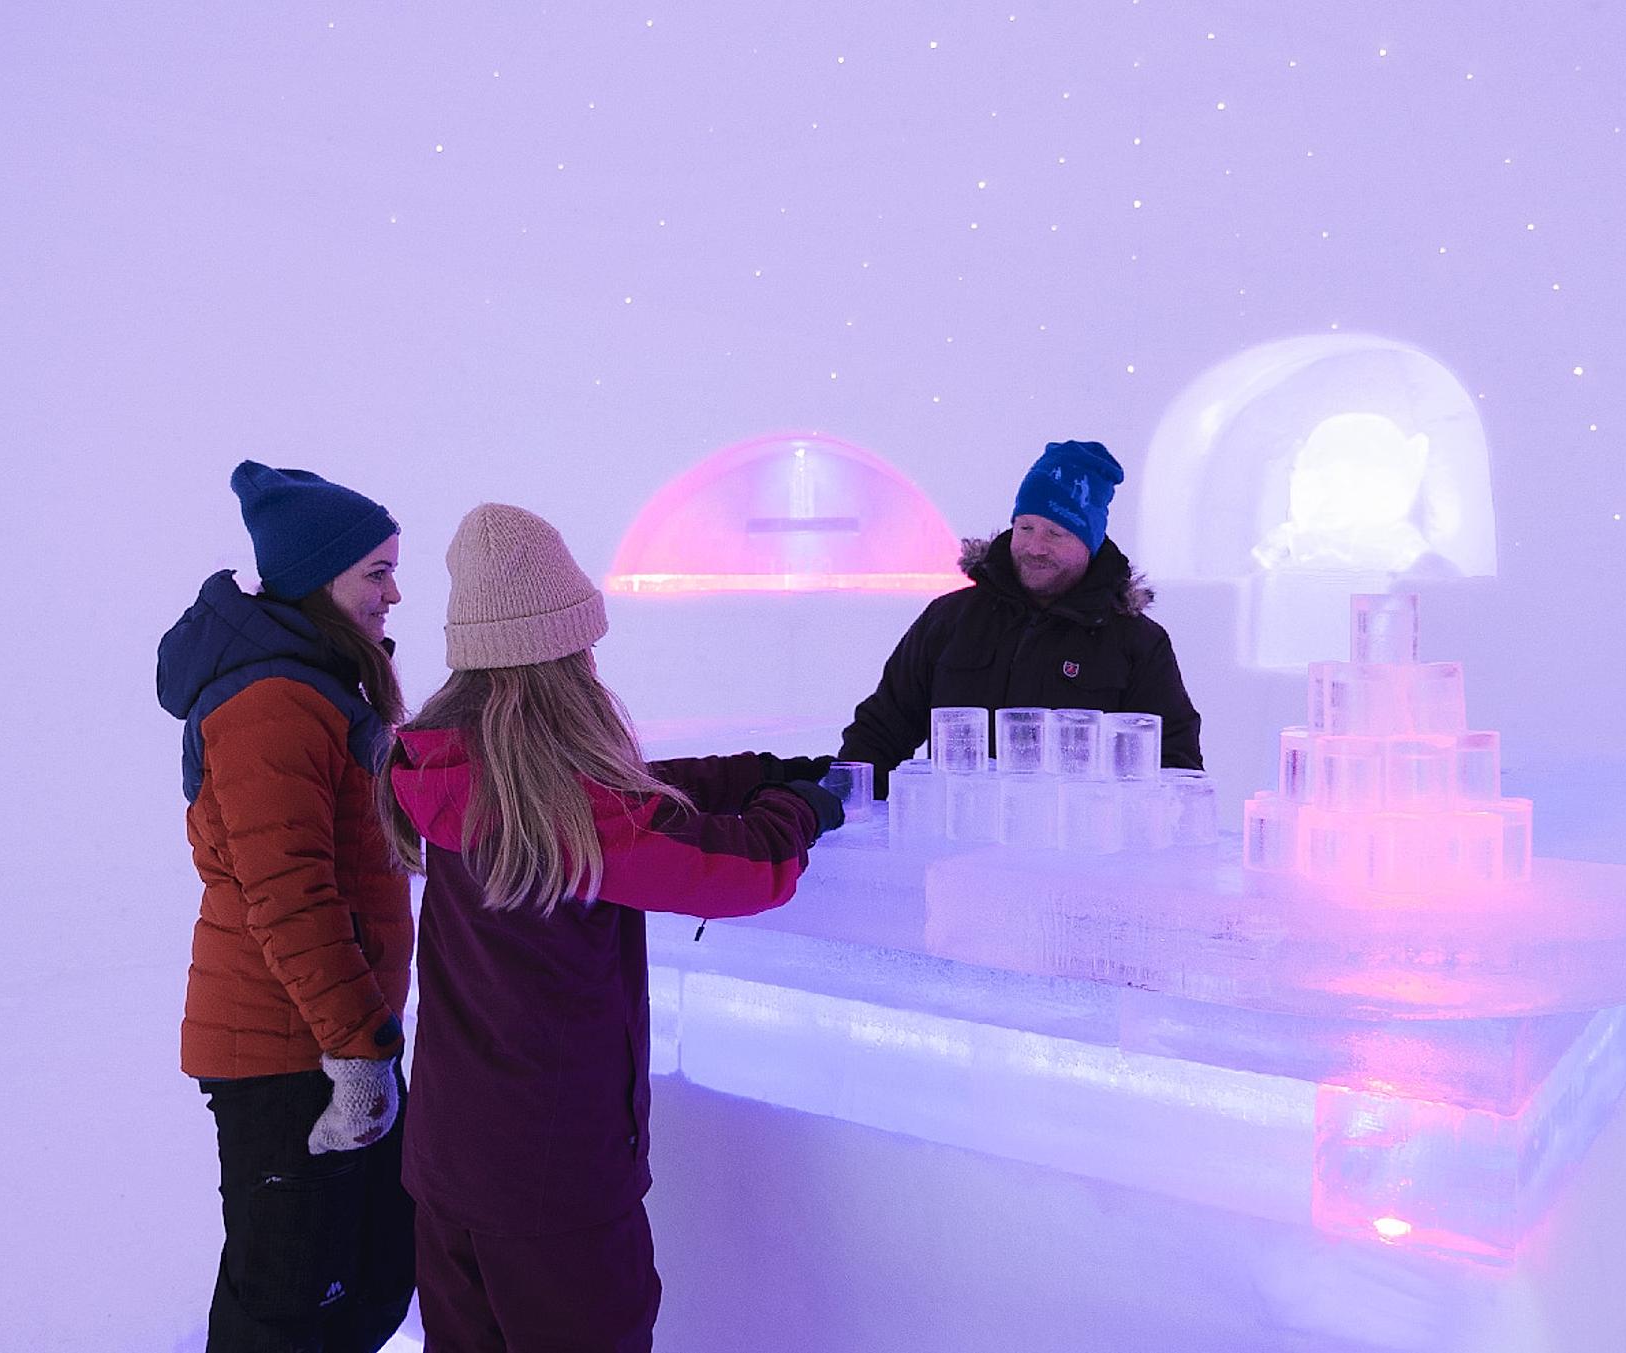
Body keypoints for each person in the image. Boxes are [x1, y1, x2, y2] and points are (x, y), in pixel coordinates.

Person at [375, 503, 843, 1353]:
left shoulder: (451, 768)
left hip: (449, 1166)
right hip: (555, 1186)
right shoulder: (570, 817)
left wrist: (747, 770)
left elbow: (619, 791)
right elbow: (745, 870)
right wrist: (796, 809)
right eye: (580, 647)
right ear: (553, 665)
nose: (593, 662)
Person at [156, 461, 416, 1353]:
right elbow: (292, 895)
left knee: (373, 1282)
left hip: (336, 1038)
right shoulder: (273, 701)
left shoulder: (318, 684)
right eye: (376, 572)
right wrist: (356, 1054)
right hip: (288, 1055)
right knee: (291, 1307)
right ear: (317, 579)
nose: (395, 592)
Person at [838, 439, 1203, 788]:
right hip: (955, 842)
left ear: (1089, 543)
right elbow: (882, 730)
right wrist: (846, 805)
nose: (1035, 547)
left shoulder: (1137, 643)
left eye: (1055, 533)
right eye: (1025, 527)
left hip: (1075, 848)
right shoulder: (950, 620)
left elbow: (1173, 766)